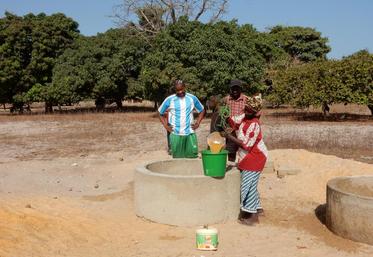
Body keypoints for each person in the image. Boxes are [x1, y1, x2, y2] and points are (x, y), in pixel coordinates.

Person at [220, 94, 268, 225]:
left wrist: (229, 136)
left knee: (247, 186)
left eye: (248, 111)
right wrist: (222, 112)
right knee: (250, 183)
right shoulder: (244, 117)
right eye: (245, 109)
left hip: (255, 157)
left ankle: (252, 216)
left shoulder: (254, 125)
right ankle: (258, 209)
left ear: (256, 112)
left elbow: (246, 144)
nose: (245, 112)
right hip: (247, 156)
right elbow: (233, 120)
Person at [158, 80, 205, 158]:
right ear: (175, 90)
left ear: (184, 87)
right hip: (176, 134)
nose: (180, 92)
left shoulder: (192, 98)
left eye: (181, 89)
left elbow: (202, 110)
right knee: (178, 159)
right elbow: (160, 113)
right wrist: (166, 126)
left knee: (192, 157)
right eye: (177, 90)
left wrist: (197, 123)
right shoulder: (170, 99)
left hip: (190, 133)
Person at [223, 80, 248, 162]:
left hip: (243, 129)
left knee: (244, 150)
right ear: (230, 89)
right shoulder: (227, 100)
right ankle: (231, 165)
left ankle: (243, 168)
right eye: (233, 89)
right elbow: (223, 114)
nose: (235, 91)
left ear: (240, 89)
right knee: (231, 150)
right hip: (231, 129)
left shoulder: (246, 99)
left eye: (237, 88)